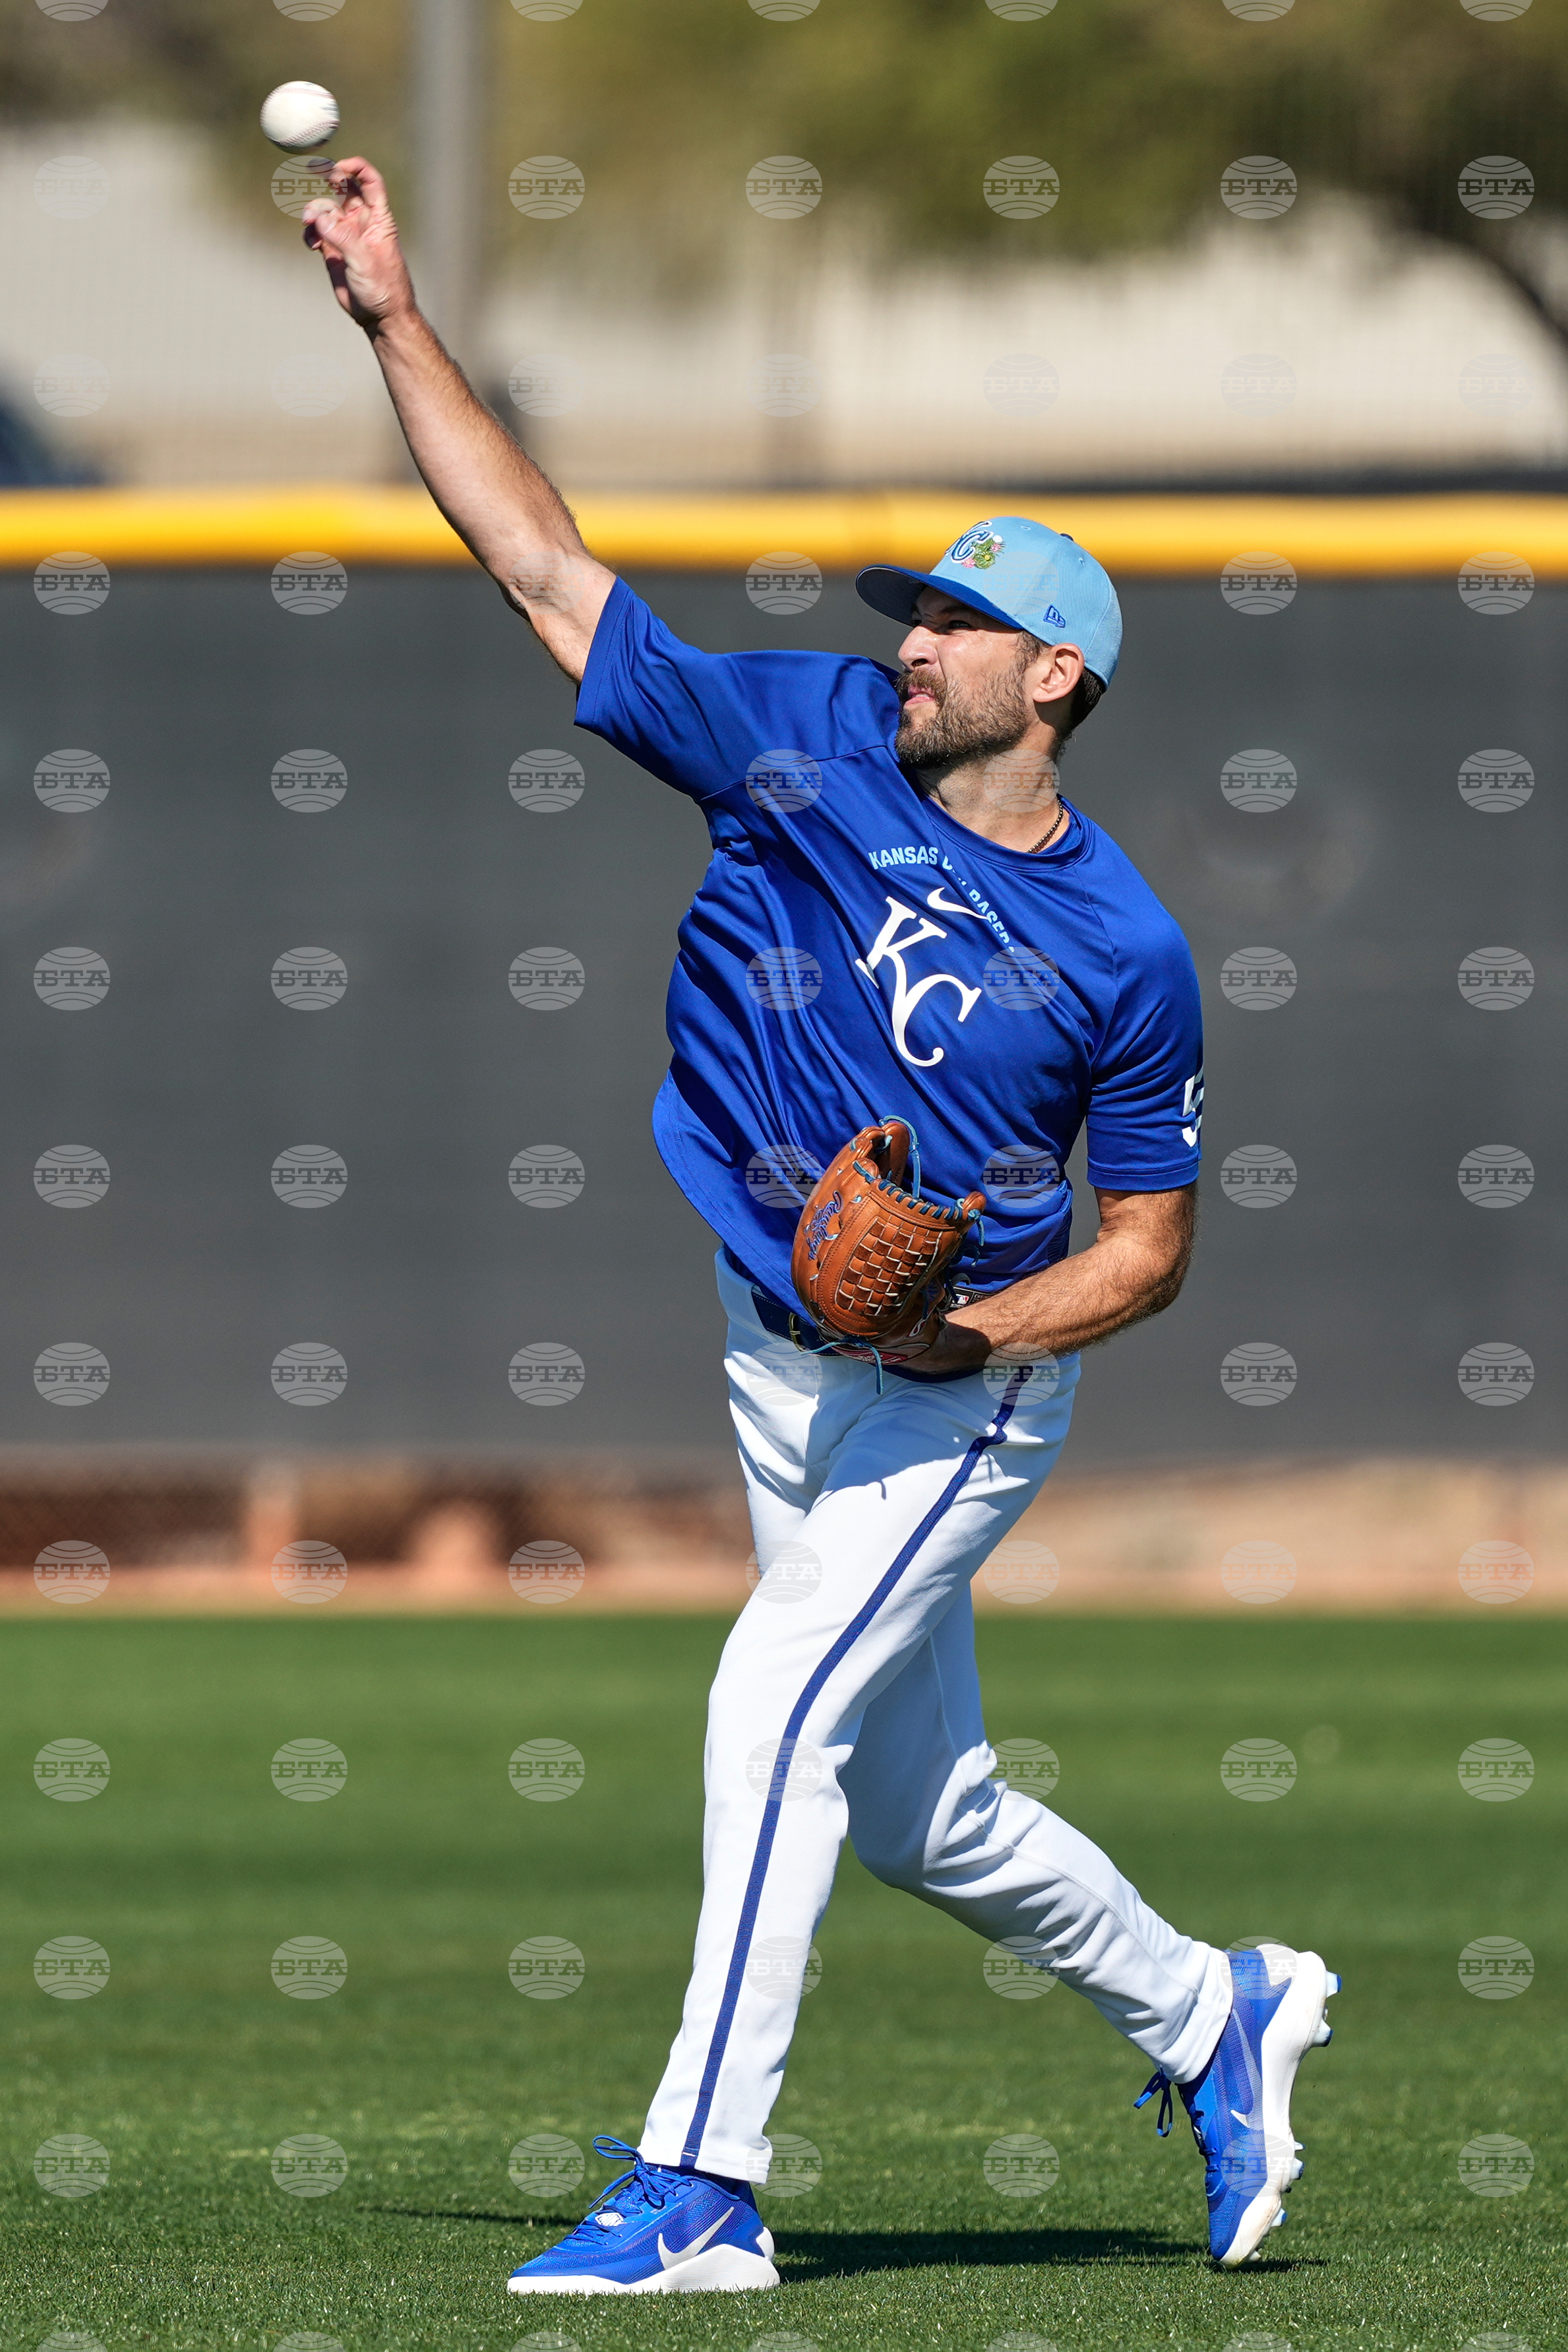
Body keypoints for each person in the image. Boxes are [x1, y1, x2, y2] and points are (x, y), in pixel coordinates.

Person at [302, 160, 1339, 2293]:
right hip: (770, 1349)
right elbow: (541, 571)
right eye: (908, 608)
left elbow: (1145, 1252)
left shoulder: (1122, 952)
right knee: (916, 1816)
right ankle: (1209, 2011)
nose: (910, 637)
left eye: (950, 619)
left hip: (952, 1393)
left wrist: (974, 1340)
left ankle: (701, 2189)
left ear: (1051, 676)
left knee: (764, 1707)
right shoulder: (797, 739)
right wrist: (394, 320)